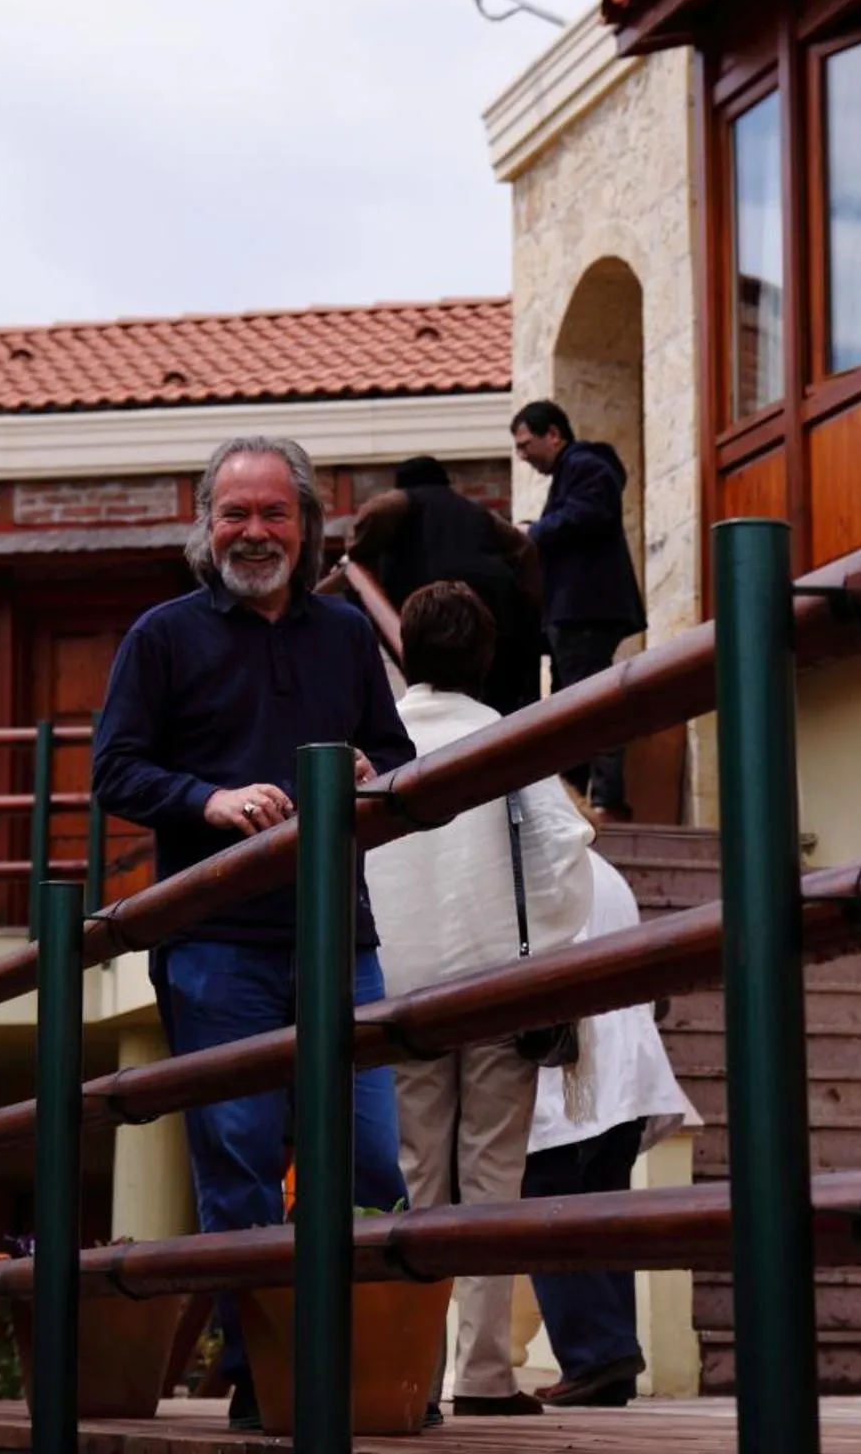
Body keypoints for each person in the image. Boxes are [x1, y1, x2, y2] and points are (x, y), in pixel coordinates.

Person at [91, 434, 416, 1432]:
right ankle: (262, 1372)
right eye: (234, 513)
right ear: (205, 524)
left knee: (369, 1161)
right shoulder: (162, 635)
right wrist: (209, 799)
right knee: (236, 1163)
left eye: (275, 513)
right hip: (215, 940)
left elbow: (396, 753)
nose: (254, 531)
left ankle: (368, 1364)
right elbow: (116, 772)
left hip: (338, 936)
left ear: (308, 524)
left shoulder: (347, 638)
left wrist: (370, 771)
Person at [365, 581, 598, 1418]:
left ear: (404, 653)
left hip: (395, 993)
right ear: (487, 656)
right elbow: (565, 851)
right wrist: (539, 945)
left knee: (417, 1178)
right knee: (492, 1178)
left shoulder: (378, 740)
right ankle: (487, 1375)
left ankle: (414, 1374)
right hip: (496, 988)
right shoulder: (505, 735)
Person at [521, 852, 698, 1407]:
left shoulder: (537, 862)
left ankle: (598, 1353)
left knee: (545, 1208)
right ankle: (609, 1356)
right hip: (629, 1062)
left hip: (578, 1065)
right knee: (602, 1211)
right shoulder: (605, 869)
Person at [511, 400, 646, 820]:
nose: (522, 455)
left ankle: (603, 801)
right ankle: (582, 801)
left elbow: (589, 513)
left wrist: (536, 532)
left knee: (588, 702)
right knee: (577, 703)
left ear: (554, 434)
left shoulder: (586, 464)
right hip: (578, 611)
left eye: (525, 444)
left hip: (583, 610)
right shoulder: (578, 469)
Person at [348, 456, 544, 714]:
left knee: (443, 690)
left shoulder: (403, 500)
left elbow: (375, 512)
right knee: (498, 697)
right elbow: (525, 547)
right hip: (498, 608)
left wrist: (356, 552)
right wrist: (530, 606)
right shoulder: (475, 510)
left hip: (439, 608)